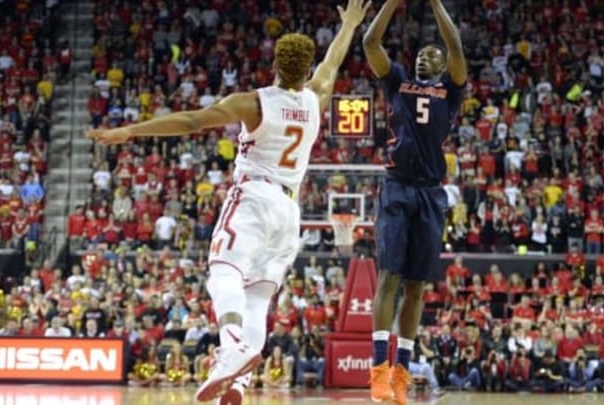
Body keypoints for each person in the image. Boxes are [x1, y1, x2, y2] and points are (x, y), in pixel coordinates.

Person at [87, 1, 370, 403]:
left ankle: (233, 345)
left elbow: (190, 122)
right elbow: (333, 63)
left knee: (222, 270)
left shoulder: (253, 102)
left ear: (275, 62)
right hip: (290, 212)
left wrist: (130, 131)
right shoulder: (314, 99)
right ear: (306, 69)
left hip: (254, 196)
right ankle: (238, 382)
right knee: (258, 295)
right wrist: (350, 27)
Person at [363, 0, 467, 403]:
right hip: (397, 186)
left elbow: (455, 46)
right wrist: (390, 4)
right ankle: (378, 372)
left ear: (441, 65)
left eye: (432, 54)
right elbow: (371, 41)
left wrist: (436, 4)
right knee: (389, 277)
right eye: (422, 53)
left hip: (430, 191)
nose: (426, 56)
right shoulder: (398, 80)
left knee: (417, 285)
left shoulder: (451, 91)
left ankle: (401, 377)